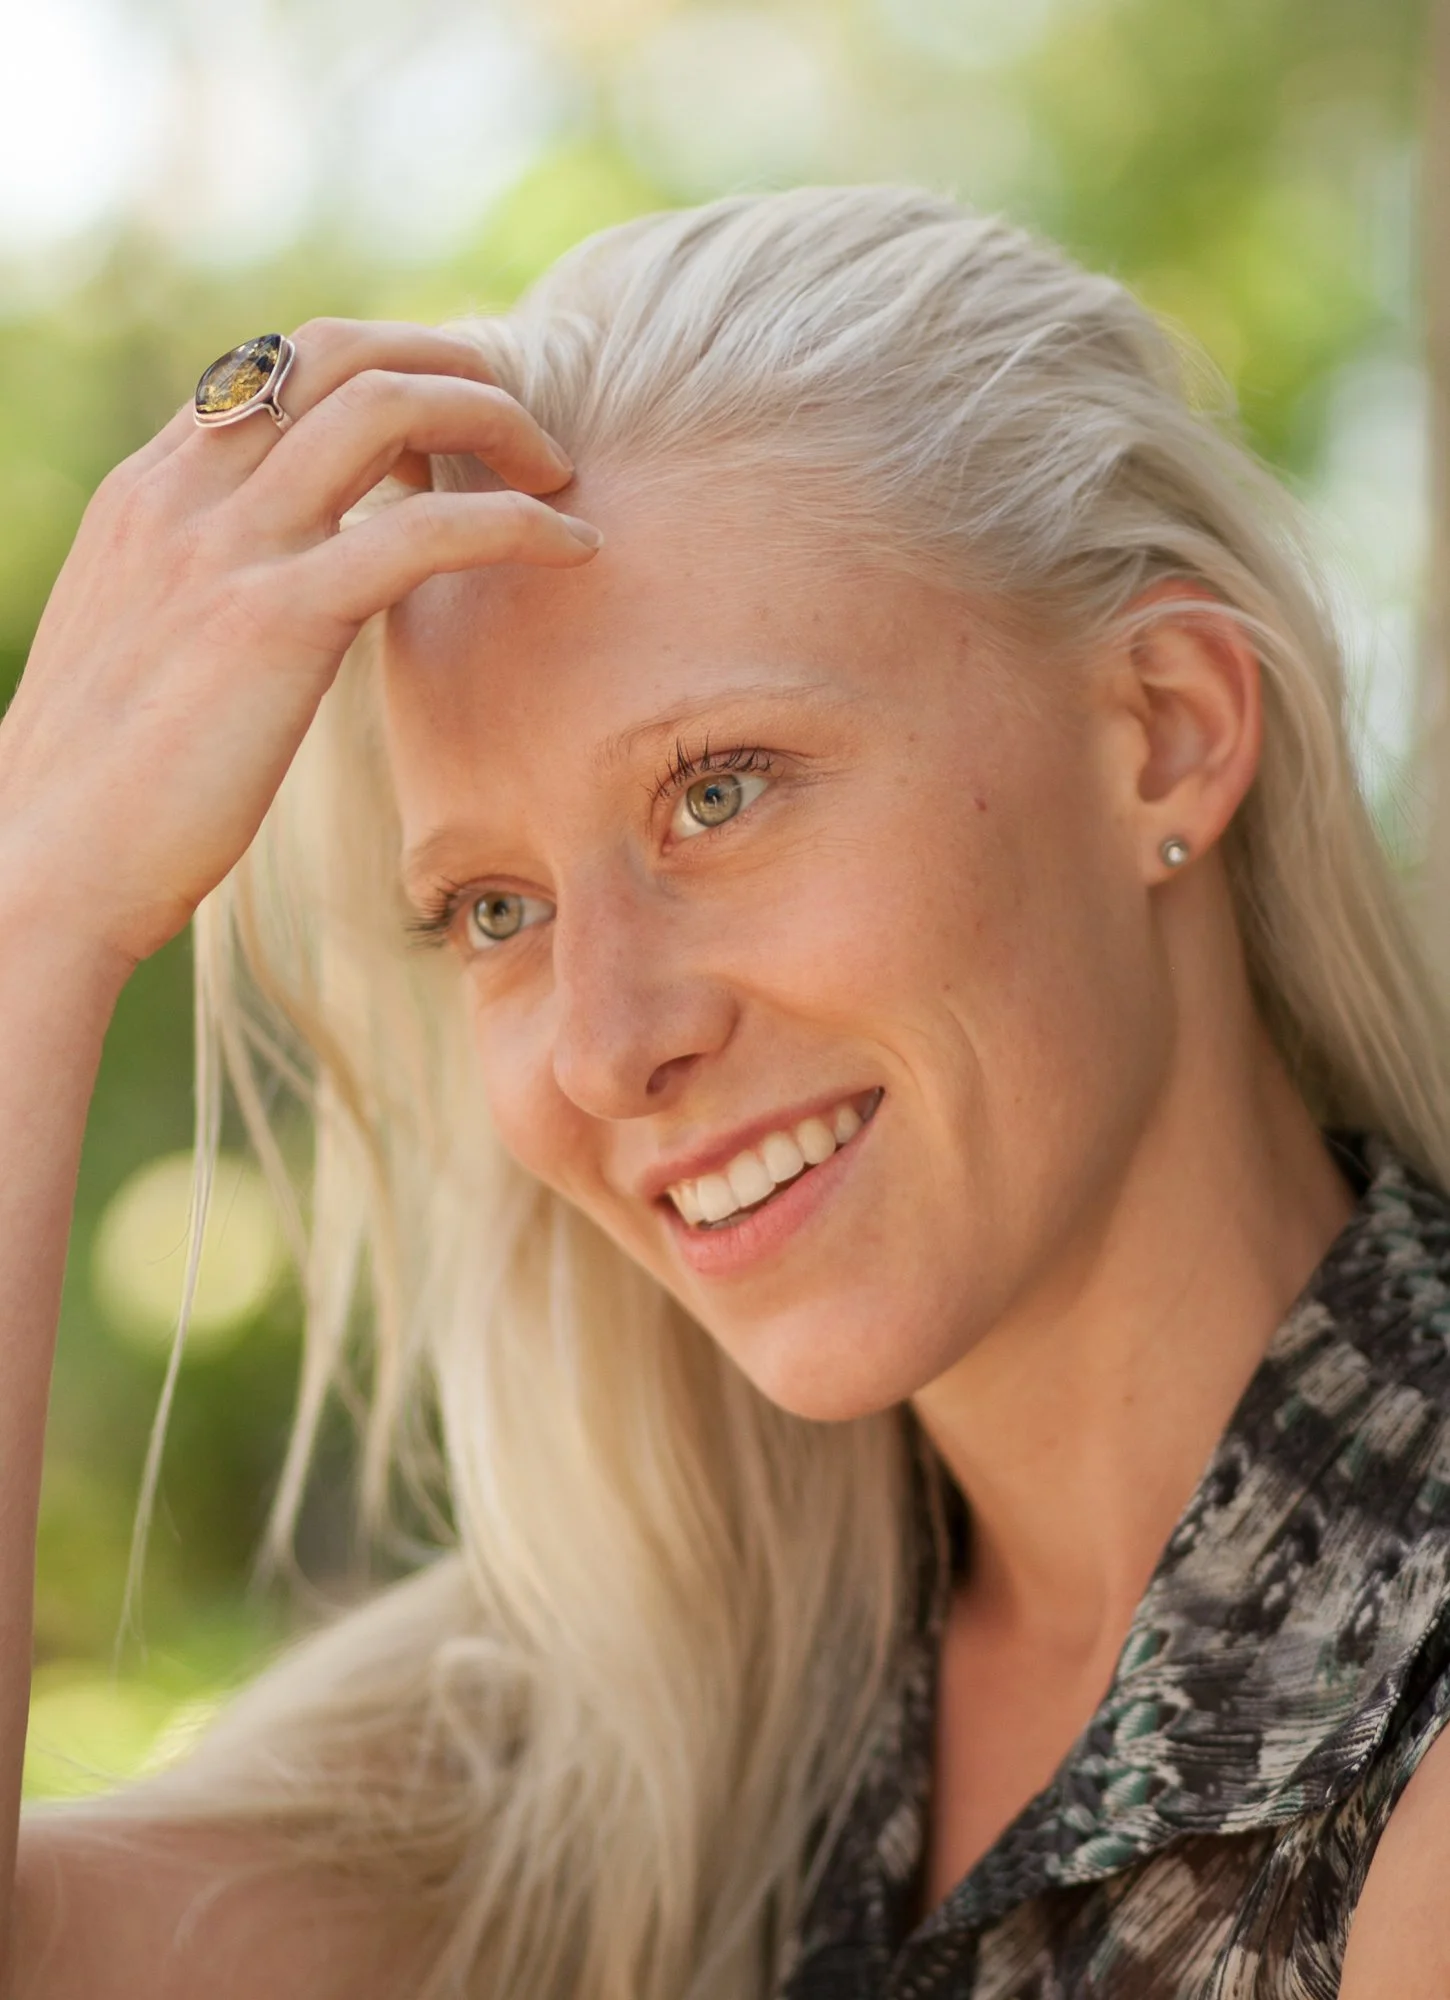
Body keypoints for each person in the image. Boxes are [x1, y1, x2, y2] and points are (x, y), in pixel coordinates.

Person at [3, 182, 1450, 2000]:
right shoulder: (647, 1752)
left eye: (717, 792)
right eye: (494, 909)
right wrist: (38, 908)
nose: (606, 1046)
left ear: (1164, 727)